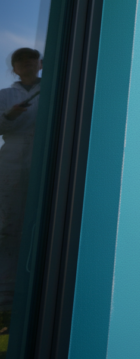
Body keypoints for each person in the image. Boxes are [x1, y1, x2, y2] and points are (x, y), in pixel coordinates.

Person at [0, 48, 42, 315]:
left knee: (40, 221)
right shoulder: (4, 96)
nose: (26, 63)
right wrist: (9, 116)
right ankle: (5, 295)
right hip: (11, 161)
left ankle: (35, 291)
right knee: (8, 224)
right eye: (19, 60)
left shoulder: (58, 87)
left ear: (39, 64)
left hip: (44, 155)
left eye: (31, 58)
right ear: (14, 68)